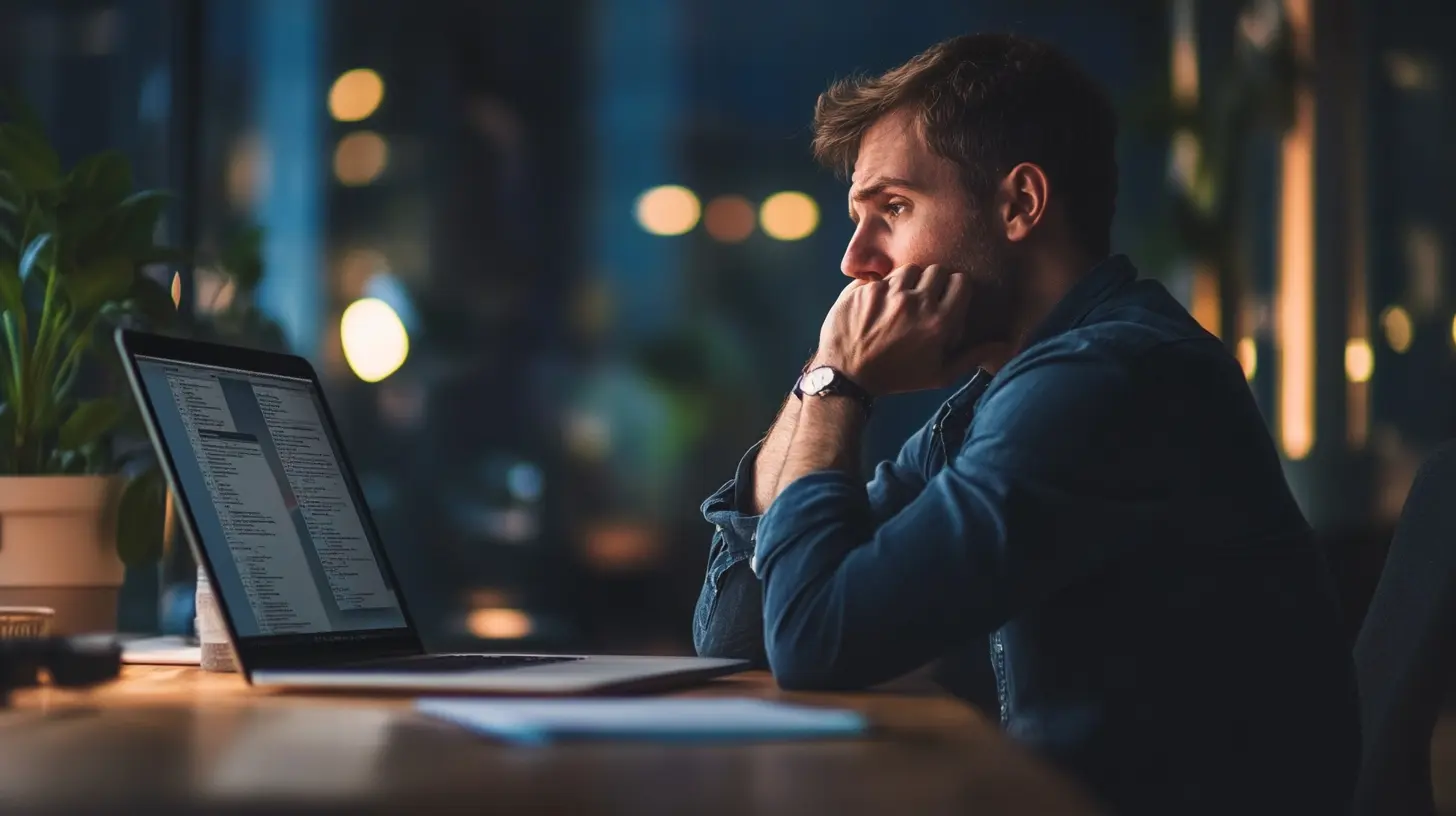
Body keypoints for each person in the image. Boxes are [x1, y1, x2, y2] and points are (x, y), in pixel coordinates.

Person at [691, 32, 1360, 815]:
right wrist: (822, 376)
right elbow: (742, 634)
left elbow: (813, 641)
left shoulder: (1109, 381)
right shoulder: (997, 395)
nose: (857, 260)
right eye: (858, 218)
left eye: (894, 209)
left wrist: (840, 384)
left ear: (1020, 205)